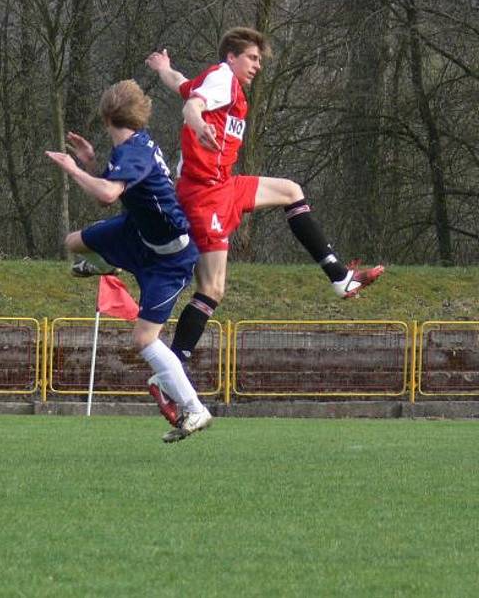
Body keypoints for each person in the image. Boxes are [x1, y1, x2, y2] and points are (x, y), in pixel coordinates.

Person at [145, 28, 384, 423]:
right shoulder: (221, 78)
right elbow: (193, 105)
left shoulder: (217, 81)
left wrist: (164, 68)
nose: (258, 66)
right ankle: (172, 372)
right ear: (233, 56)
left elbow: (184, 88)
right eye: (253, 58)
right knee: (212, 288)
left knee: (291, 191)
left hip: (225, 185)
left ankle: (339, 276)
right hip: (204, 195)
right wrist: (196, 121)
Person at [46, 79, 211, 444]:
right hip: (138, 233)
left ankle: (195, 408)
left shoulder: (132, 152)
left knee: (144, 338)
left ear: (106, 117)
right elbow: (115, 182)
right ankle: (107, 264)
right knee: (73, 242)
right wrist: (91, 162)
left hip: (169, 257)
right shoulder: (132, 146)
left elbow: (107, 195)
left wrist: (74, 169)